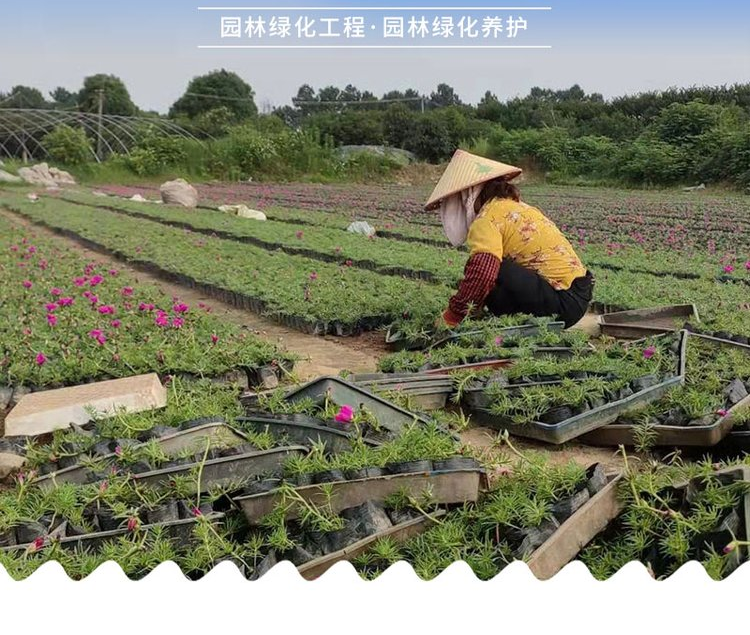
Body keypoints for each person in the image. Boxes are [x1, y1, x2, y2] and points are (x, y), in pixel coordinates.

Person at [424, 149, 594, 330]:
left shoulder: (487, 218)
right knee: (490, 272)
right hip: (577, 296)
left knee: (487, 268)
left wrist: (453, 315)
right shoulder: (515, 207)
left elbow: (483, 272)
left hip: (561, 302)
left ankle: (502, 324)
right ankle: (485, 314)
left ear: (468, 195)